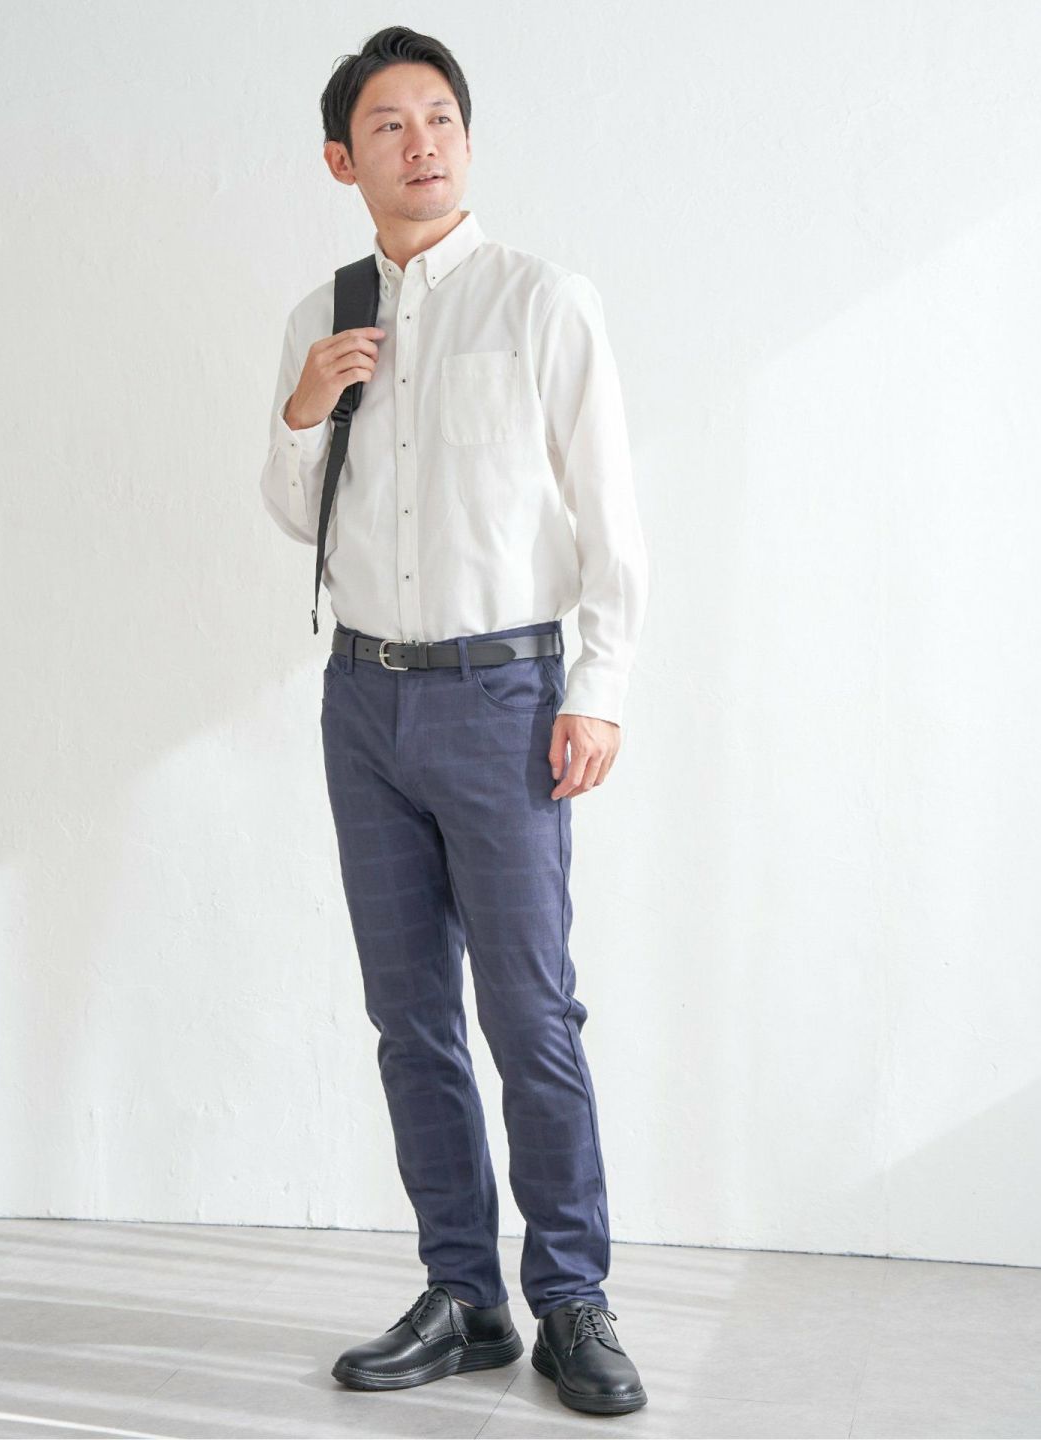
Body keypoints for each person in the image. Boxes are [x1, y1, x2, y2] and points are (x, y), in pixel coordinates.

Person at [258, 24, 649, 1418]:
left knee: (532, 1011)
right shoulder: (325, 314)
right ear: (342, 159)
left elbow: (611, 515)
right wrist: (305, 405)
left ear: (466, 141)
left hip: (505, 698)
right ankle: (465, 1296)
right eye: (388, 124)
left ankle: (573, 1297)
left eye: (439, 118)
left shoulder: (544, 301)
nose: (419, 142)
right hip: (363, 701)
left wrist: (597, 691)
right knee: (409, 1015)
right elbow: (296, 512)